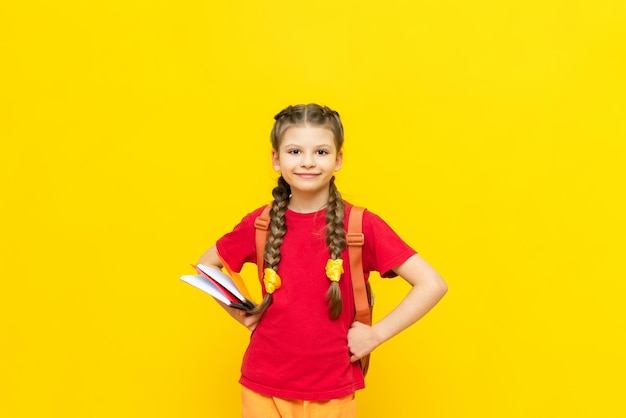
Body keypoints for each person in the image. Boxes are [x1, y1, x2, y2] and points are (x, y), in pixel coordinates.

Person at [197, 103, 447, 418]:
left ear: (338, 159)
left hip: (332, 390)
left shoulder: (361, 225)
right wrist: (243, 313)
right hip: (262, 385)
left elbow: (432, 284)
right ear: (276, 159)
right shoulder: (259, 223)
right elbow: (206, 268)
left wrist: (375, 335)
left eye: (321, 152)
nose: (307, 162)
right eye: (294, 151)